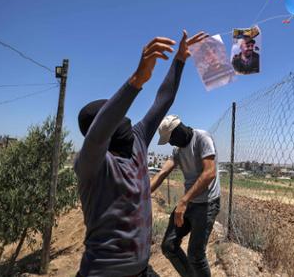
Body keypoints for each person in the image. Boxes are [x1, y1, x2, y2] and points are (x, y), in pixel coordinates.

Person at [74, 30, 208, 277]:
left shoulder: (136, 141)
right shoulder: (92, 162)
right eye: (115, 115)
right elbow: (98, 132)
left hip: (142, 270)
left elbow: (162, 101)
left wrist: (179, 61)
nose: (125, 118)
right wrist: (136, 80)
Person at [150, 115, 221, 277]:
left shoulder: (202, 138)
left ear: (178, 130)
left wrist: (183, 201)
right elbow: (162, 173)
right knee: (169, 246)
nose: (170, 143)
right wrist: (143, 195)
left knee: (196, 255)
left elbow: (209, 173)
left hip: (207, 204)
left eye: (170, 139)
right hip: (190, 203)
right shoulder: (178, 150)